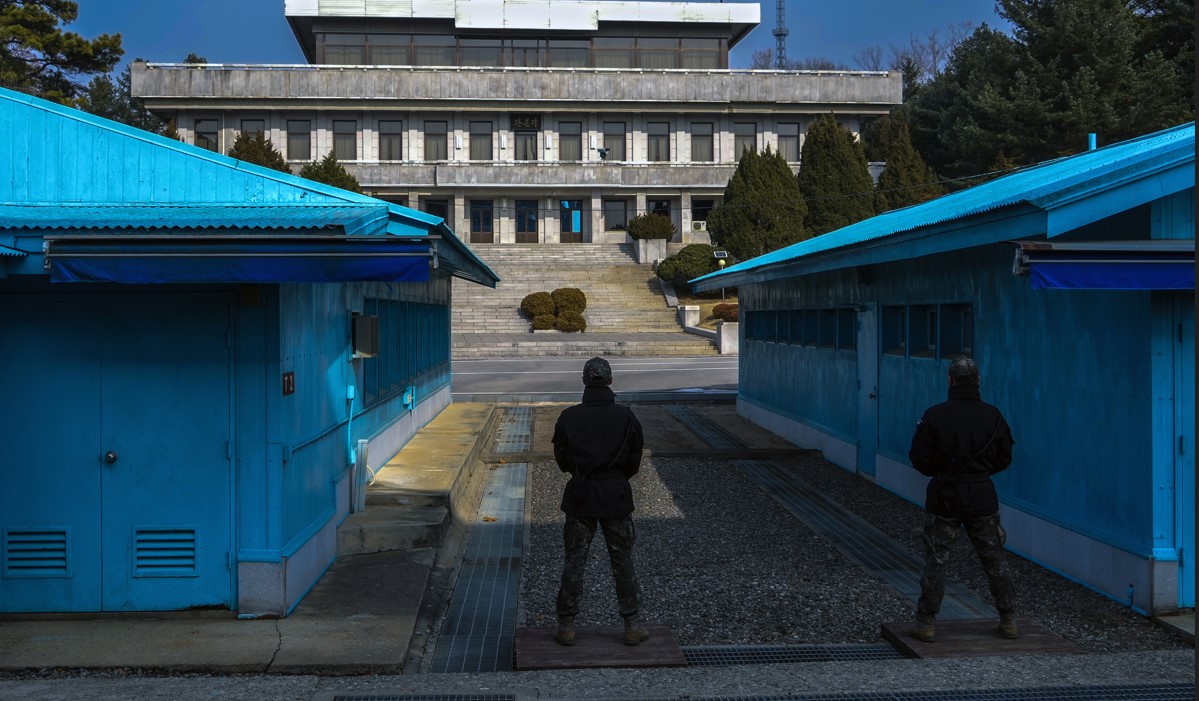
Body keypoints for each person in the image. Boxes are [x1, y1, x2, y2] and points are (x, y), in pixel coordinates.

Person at [908, 356, 1018, 643]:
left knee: (937, 560)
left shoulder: (934, 415)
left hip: (945, 496)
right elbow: (1005, 457)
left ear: (950, 380)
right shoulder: (993, 415)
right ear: (978, 380)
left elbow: (918, 458)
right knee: (995, 560)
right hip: (981, 495)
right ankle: (1008, 620)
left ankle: (926, 623)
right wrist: (980, 473)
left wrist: (943, 472)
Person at [552, 356, 648, 647]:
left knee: (575, 560)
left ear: (584, 381)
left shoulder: (569, 416)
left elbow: (562, 459)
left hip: (581, 494)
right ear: (609, 381)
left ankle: (566, 625)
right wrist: (616, 477)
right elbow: (634, 458)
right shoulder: (626, 416)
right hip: (615, 494)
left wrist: (581, 472)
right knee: (622, 560)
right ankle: (631, 625)